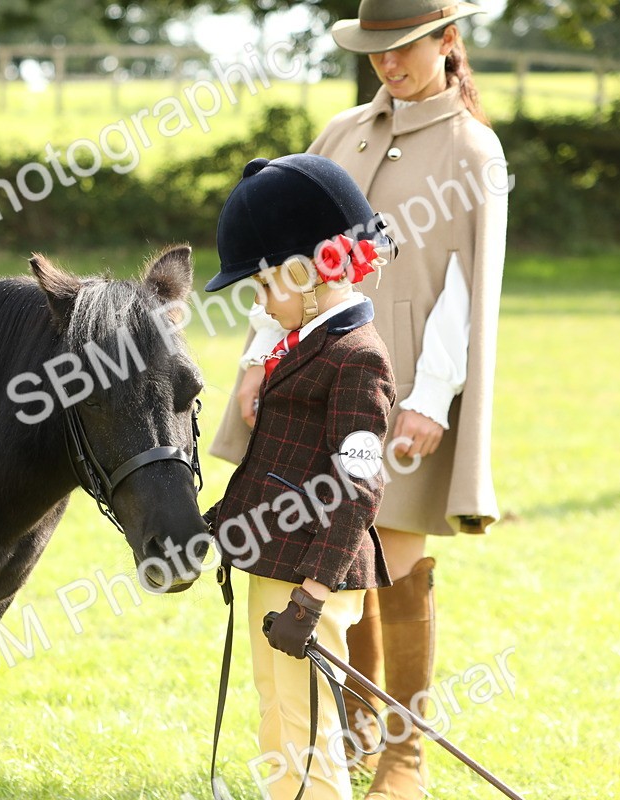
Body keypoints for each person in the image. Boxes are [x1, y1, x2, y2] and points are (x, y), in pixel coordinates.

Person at [207, 2, 509, 799]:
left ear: (448, 43)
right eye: (376, 50)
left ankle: (402, 751)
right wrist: (253, 356)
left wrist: (432, 396)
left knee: (395, 561)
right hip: (309, 365)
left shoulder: (474, 149)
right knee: (335, 558)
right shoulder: (341, 132)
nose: (389, 64)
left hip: (405, 378)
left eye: (405, 48)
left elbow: (467, 288)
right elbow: (281, 257)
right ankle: (342, 732)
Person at [203, 153, 397, 800]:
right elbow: (278, 463)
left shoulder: (356, 359)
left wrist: (312, 597)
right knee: (280, 719)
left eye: (263, 288)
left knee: (306, 729)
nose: (258, 304)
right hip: (278, 564)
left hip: (308, 576)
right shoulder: (304, 337)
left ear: (308, 275)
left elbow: (359, 489)